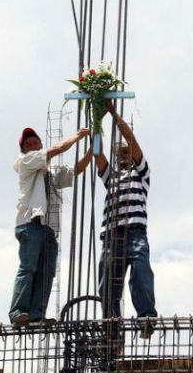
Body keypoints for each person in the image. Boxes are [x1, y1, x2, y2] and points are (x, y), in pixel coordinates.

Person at [9, 126, 92, 326]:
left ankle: (37, 314)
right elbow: (57, 149)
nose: (32, 146)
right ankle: (18, 312)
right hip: (30, 223)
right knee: (28, 267)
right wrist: (78, 136)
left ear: (40, 143)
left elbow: (75, 170)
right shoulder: (26, 162)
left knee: (47, 271)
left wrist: (92, 151)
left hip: (47, 227)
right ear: (25, 151)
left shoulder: (51, 171)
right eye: (28, 145)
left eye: (34, 142)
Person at [94, 101, 158, 338]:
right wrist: (96, 120)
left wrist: (112, 112)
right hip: (112, 237)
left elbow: (133, 141)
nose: (124, 154)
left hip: (135, 232)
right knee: (107, 285)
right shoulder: (111, 177)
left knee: (141, 272)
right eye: (120, 152)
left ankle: (146, 317)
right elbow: (97, 153)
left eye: (126, 152)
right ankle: (111, 329)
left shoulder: (141, 174)